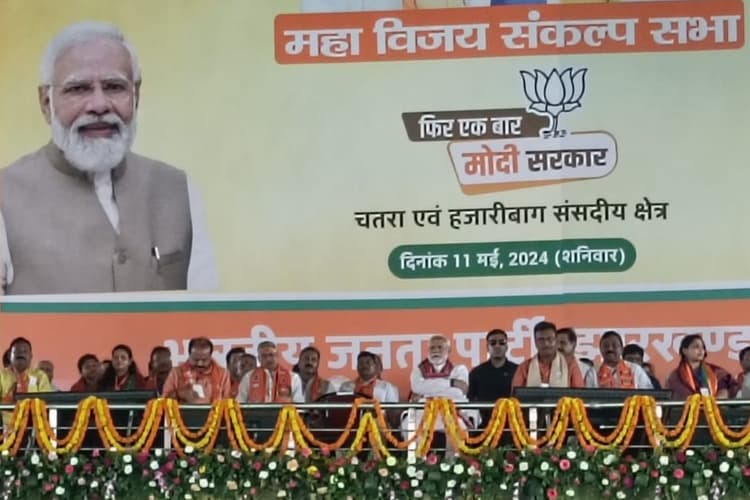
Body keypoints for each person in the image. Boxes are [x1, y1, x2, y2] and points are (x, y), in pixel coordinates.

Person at [0, 21, 218, 295]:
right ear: (46, 102)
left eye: (114, 87)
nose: (99, 105)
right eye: (78, 89)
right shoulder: (5, 196)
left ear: (136, 96)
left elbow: (208, 310)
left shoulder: (178, 190)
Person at [512, 321, 585, 388]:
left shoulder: (570, 366)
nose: (546, 343)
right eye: (541, 339)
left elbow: (579, 394)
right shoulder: (525, 367)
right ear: (535, 342)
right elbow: (515, 394)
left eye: (549, 339)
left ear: (556, 341)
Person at [468, 329, 518, 426]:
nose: (497, 346)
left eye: (501, 343)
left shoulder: (517, 370)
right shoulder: (477, 372)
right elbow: (471, 400)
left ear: (507, 347)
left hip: (512, 424)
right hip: (485, 425)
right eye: (493, 343)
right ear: (487, 347)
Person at [0, 338, 52, 427]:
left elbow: (47, 401)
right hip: (5, 426)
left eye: (25, 351)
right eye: (17, 351)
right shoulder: (1, 375)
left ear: (31, 356)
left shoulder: (40, 376)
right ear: (9, 355)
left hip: (34, 426)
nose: (21, 354)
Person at [666, 334, 737, 400]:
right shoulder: (676, 376)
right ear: (685, 351)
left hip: (713, 407)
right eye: (696, 347)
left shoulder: (716, 371)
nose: (701, 350)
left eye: (703, 347)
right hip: (689, 408)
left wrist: (716, 399)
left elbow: (725, 389)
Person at [162, 337, 231, 404]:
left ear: (210, 356)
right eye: (196, 360)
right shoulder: (176, 373)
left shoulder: (223, 374)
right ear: (189, 355)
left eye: (204, 360)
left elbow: (227, 403)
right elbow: (164, 401)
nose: (200, 364)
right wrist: (180, 393)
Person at [237, 341, 304, 403]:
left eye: (271, 355)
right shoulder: (248, 377)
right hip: (255, 412)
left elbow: (298, 403)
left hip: (284, 412)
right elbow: (240, 401)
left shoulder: (293, 377)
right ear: (259, 358)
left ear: (277, 355)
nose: (268, 359)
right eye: (264, 356)